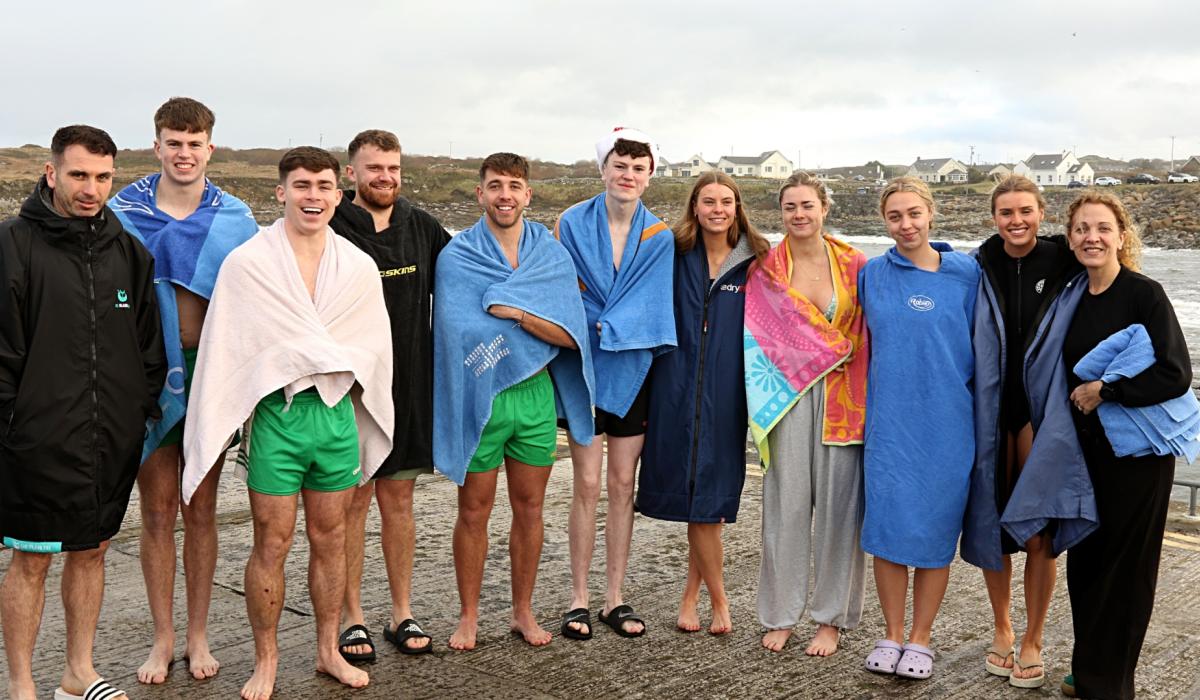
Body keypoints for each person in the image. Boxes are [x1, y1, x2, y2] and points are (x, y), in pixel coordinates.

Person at [180, 147, 394, 700]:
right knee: (271, 543)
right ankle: (266, 659)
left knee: (331, 538)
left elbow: (372, 349)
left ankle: (327, 650)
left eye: (324, 186)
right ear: (281, 193)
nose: (313, 196)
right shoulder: (250, 263)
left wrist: (314, 356)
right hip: (280, 417)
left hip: (336, 418)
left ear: (339, 194)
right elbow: (229, 350)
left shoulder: (357, 266)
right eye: (302, 186)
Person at [0, 125, 165, 700]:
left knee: (91, 551)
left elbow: (149, 345)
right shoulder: (14, 243)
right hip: (36, 439)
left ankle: (78, 672)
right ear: (51, 174)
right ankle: (21, 684)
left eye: (102, 177)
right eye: (78, 175)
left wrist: (138, 413)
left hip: (109, 438)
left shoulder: (127, 250)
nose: (91, 188)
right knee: (31, 559)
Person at [108, 96, 258, 684]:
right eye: (174, 142)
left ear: (210, 149)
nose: (184, 153)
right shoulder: (123, 213)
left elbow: (255, 302)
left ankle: (198, 635)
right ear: (157, 146)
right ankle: (162, 637)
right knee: (156, 509)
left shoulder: (235, 217)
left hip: (209, 371)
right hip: (145, 372)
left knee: (201, 507)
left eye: (194, 144)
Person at [432, 152, 594, 650]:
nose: (505, 194)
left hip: (535, 397)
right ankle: (469, 615)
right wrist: (514, 314)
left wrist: (517, 314)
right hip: (483, 393)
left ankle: (523, 612)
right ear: (480, 193)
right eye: (495, 185)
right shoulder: (457, 256)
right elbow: (458, 332)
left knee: (530, 508)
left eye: (515, 185)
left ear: (528, 194)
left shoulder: (550, 255)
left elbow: (571, 334)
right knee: (474, 510)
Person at [1059, 191, 1194, 700]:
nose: (1092, 237)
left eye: (1102, 227)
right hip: (1085, 452)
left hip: (1138, 456)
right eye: (1081, 229)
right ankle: (1087, 667)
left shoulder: (1144, 293)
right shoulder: (1072, 296)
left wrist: (1107, 391)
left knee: (1127, 570)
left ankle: (1110, 685)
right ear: (1070, 238)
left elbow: (1175, 373)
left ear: (1121, 235)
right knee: (1086, 563)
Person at [960, 175, 1092, 690]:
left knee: (1040, 528)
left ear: (1042, 213)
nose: (1016, 221)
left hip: (1042, 410)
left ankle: (1034, 638)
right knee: (993, 522)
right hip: (992, 408)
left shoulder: (1065, 263)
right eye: (1006, 213)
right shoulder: (977, 265)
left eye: (1026, 211)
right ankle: (1002, 627)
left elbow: (1110, 293)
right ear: (994, 217)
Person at [330, 129, 450, 661]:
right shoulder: (330, 224)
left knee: (398, 503)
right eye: (374, 168)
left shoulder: (421, 226)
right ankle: (351, 615)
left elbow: (467, 279)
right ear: (351, 172)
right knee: (353, 502)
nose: (385, 177)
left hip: (408, 388)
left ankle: (401, 610)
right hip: (349, 390)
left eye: (393, 168)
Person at [556, 128, 676, 640]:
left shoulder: (659, 235)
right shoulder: (570, 222)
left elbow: (653, 301)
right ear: (603, 169)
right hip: (582, 363)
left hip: (632, 367)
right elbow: (560, 286)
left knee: (622, 485)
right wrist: (592, 320)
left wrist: (616, 324)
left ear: (650, 175)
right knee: (585, 482)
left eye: (638, 168)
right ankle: (578, 598)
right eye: (619, 166)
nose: (627, 175)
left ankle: (615, 598)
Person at [637, 172, 769, 636]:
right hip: (675, 387)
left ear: (737, 208)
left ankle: (706, 598)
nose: (717, 209)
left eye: (726, 202)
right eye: (708, 201)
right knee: (699, 501)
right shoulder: (672, 254)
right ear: (694, 207)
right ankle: (709, 599)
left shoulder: (758, 260)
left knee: (709, 503)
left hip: (730, 393)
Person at [858, 177, 979, 681]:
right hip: (889, 425)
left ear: (930, 214)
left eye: (913, 214)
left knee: (933, 535)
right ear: (884, 222)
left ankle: (922, 639)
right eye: (894, 217)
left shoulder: (966, 274)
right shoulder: (871, 274)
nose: (905, 225)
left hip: (949, 426)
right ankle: (890, 633)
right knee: (887, 531)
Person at [745, 171, 869, 656]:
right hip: (787, 396)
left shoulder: (855, 263)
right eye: (790, 207)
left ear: (824, 209)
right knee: (786, 507)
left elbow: (871, 330)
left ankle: (831, 619)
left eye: (807, 206)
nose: (799, 214)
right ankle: (780, 614)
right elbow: (757, 339)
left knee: (840, 512)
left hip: (845, 396)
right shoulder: (767, 268)